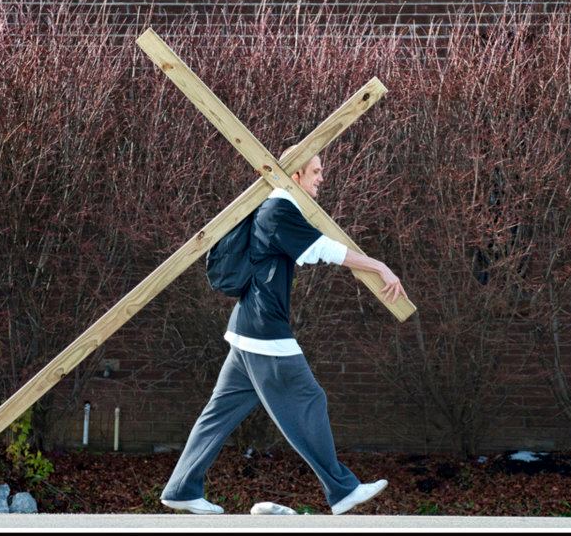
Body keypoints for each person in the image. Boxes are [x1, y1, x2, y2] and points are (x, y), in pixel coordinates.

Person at [159, 146, 408, 515]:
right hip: (264, 331)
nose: (321, 177)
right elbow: (325, 250)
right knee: (309, 401)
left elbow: (314, 248)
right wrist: (379, 265)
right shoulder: (278, 209)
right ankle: (342, 489)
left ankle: (181, 489)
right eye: (315, 171)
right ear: (294, 175)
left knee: (219, 413)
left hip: (248, 327)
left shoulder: (274, 209)